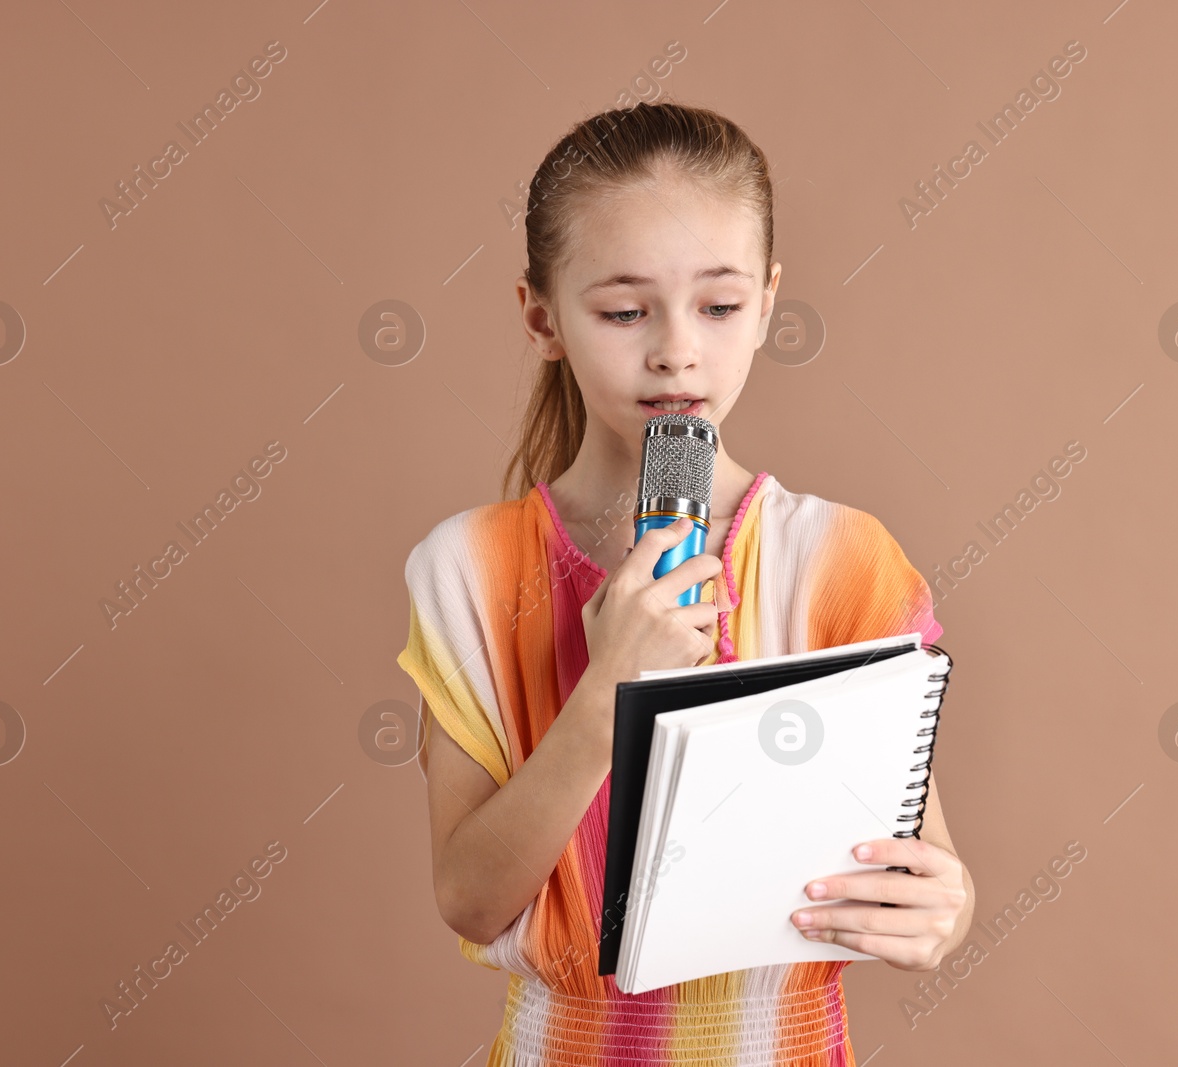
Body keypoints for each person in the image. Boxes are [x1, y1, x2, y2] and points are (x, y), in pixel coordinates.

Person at [396, 101, 976, 1066]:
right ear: (543, 317)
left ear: (769, 301)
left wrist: (937, 908)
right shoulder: (469, 569)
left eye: (719, 305)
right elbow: (471, 895)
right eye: (624, 311)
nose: (676, 349)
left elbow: (921, 865)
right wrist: (604, 690)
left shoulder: (843, 560)